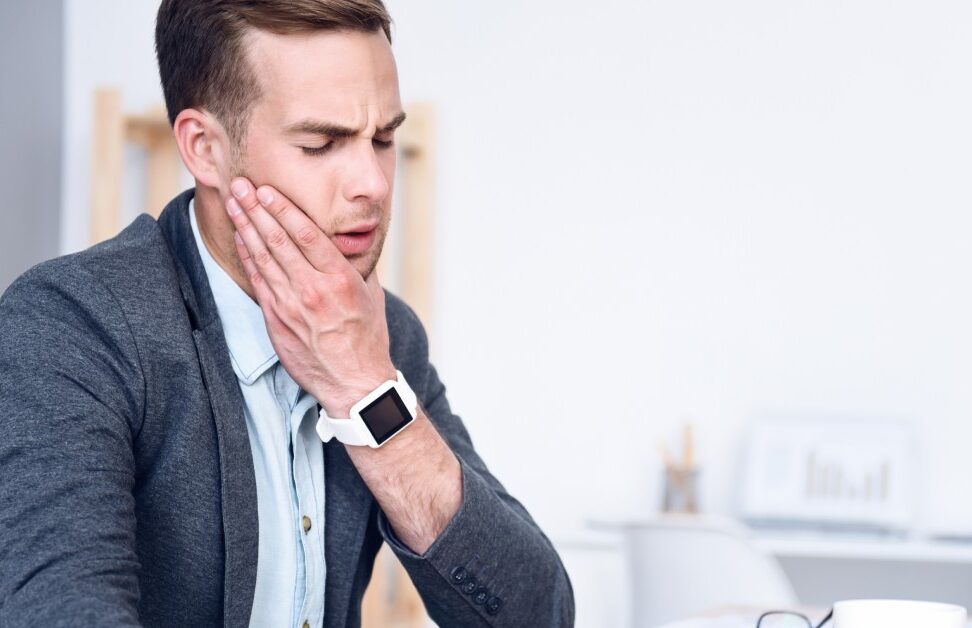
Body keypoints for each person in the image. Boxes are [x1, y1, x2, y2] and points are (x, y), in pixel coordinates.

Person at [0, 1, 574, 626]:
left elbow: (536, 613)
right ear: (205, 149)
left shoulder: (379, 335)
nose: (374, 184)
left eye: (383, 138)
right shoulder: (71, 326)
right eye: (320, 143)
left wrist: (364, 389)